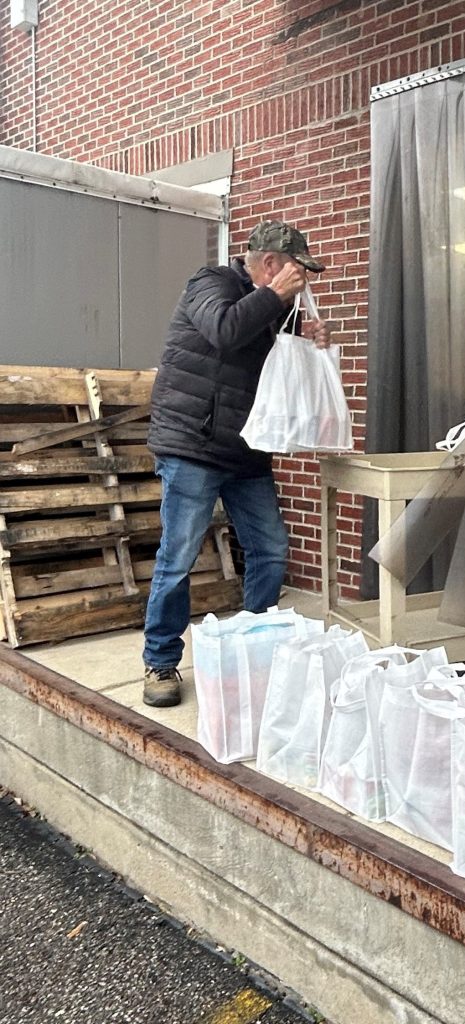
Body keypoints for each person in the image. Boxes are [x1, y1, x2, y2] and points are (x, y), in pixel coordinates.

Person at [142, 220, 331, 708]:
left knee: (270, 548)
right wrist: (275, 301)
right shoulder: (211, 283)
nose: (304, 281)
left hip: (246, 449)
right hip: (193, 443)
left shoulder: (272, 308)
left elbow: (271, 364)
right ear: (271, 263)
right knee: (178, 558)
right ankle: (160, 659)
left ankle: (256, 646)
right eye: (298, 271)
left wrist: (306, 337)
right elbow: (225, 330)